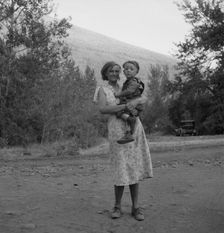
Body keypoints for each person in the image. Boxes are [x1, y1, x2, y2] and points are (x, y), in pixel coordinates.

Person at [93, 61, 153, 221]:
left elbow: (143, 98)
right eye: (111, 71)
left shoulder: (126, 86)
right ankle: (117, 206)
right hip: (116, 131)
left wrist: (136, 102)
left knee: (133, 166)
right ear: (105, 73)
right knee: (120, 167)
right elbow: (103, 109)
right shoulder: (102, 89)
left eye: (117, 71)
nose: (114, 73)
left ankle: (136, 207)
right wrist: (125, 106)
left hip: (134, 128)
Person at [115, 60, 145, 144]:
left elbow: (129, 91)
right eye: (126, 69)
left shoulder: (134, 81)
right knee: (124, 117)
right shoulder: (128, 81)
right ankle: (129, 134)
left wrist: (119, 95)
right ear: (123, 71)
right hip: (131, 103)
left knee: (119, 111)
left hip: (132, 104)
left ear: (136, 71)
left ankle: (130, 121)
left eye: (131, 69)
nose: (128, 70)